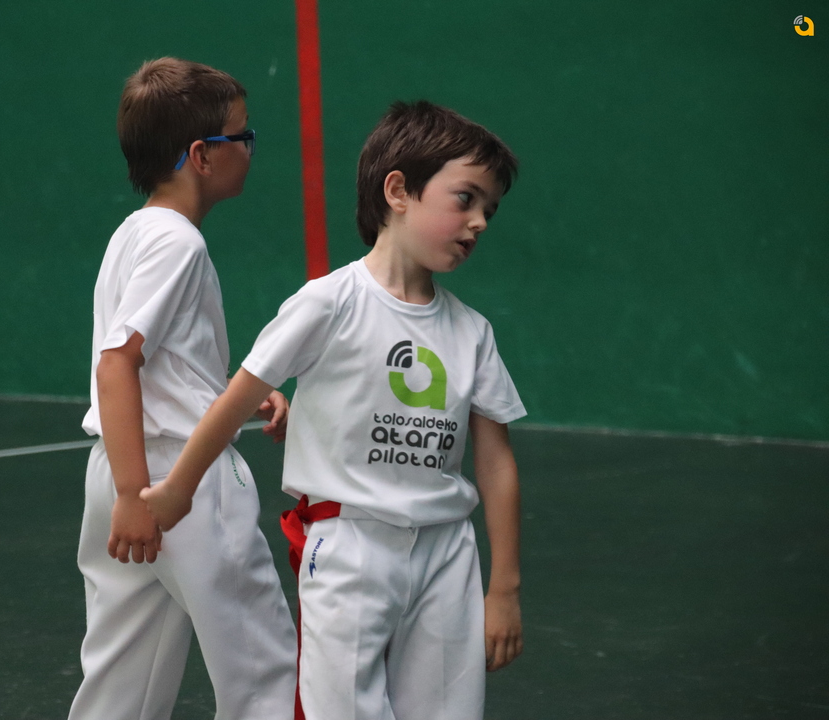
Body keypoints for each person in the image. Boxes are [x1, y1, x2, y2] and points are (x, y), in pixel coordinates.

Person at [142, 100, 527, 720]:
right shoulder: (328, 303)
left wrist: (503, 588)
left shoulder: (473, 332)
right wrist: (176, 490)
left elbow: (497, 462)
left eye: (491, 209)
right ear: (398, 191)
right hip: (348, 547)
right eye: (466, 199)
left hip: (447, 554)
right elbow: (236, 399)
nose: (479, 221)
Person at [68, 57, 298, 720]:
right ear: (201, 155)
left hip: (115, 473)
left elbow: (164, 362)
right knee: (265, 679)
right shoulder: (178, 245)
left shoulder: (134, 233)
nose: (250, 149)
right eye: (242, 137)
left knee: (121, 685)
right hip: (177, 486)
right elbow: (118, 363)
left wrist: (235, 393)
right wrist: (139, 495)